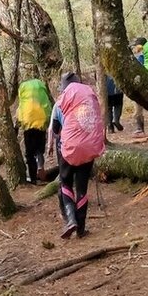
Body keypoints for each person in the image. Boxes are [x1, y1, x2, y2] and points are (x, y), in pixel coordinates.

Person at [47, 71, 105, 238]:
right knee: (82, 187)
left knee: (65, 183)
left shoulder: (60, 103)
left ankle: (71, 219)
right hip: (89, 148)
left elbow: (56, 129)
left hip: (68, 149)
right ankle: (81, 228)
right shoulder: (89, 99)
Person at [16, 78, 53, 184]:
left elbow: (20, 111)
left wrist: (16, 127)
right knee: (39, 150)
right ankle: (40, 166)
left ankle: (33, 178)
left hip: (29, 125)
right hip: (41, 124)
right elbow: (48, 108)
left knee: (30, 154)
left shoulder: (25, 98)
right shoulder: (41, 95)